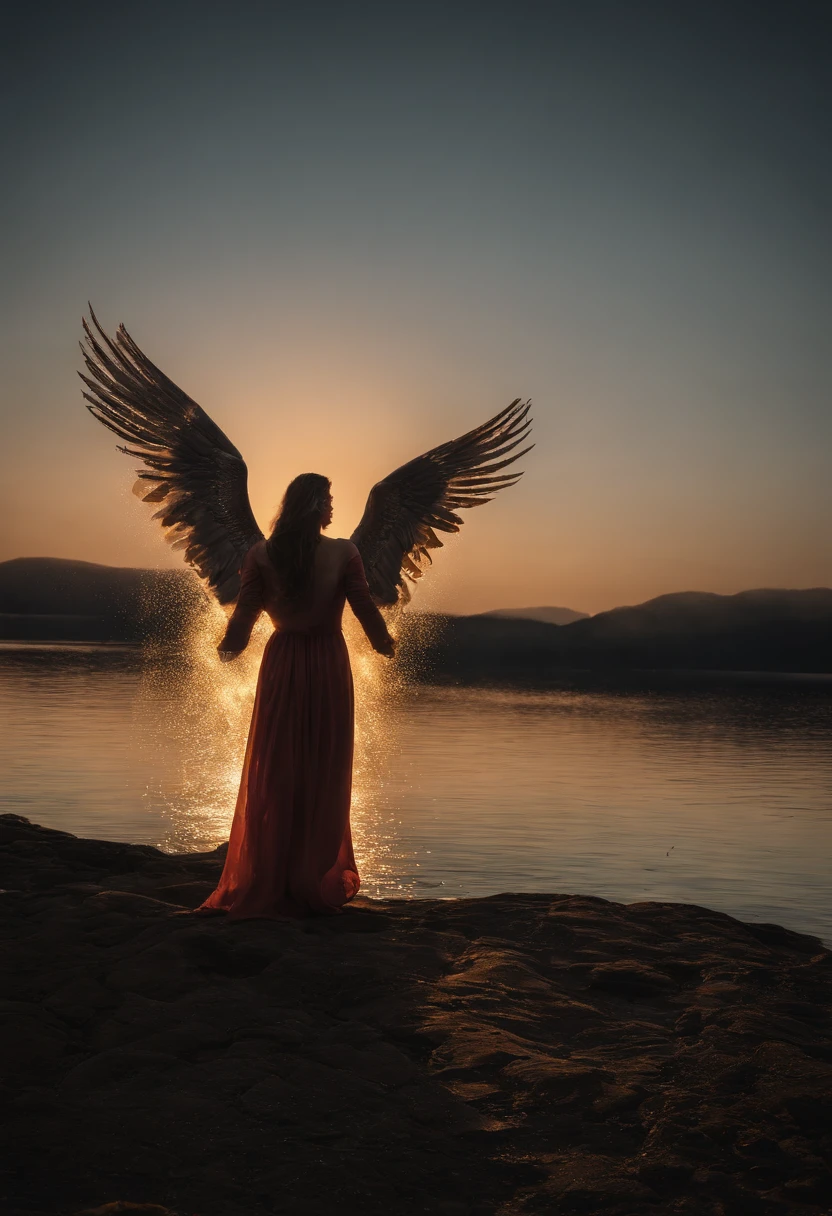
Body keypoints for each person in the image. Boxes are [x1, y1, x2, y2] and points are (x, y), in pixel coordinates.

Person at [198, 472, 396, 919]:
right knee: (323, 763)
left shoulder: (261, 554)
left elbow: (246, 613)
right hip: (327, 662)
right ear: (312, 506)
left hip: (282, 662)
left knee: (278, 763)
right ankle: (314, 875)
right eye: (326, 498)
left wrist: (229, 646)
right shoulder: (345, 551)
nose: (331, 506)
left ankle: (273, 873)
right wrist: (384, 643)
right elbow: (362, 603)